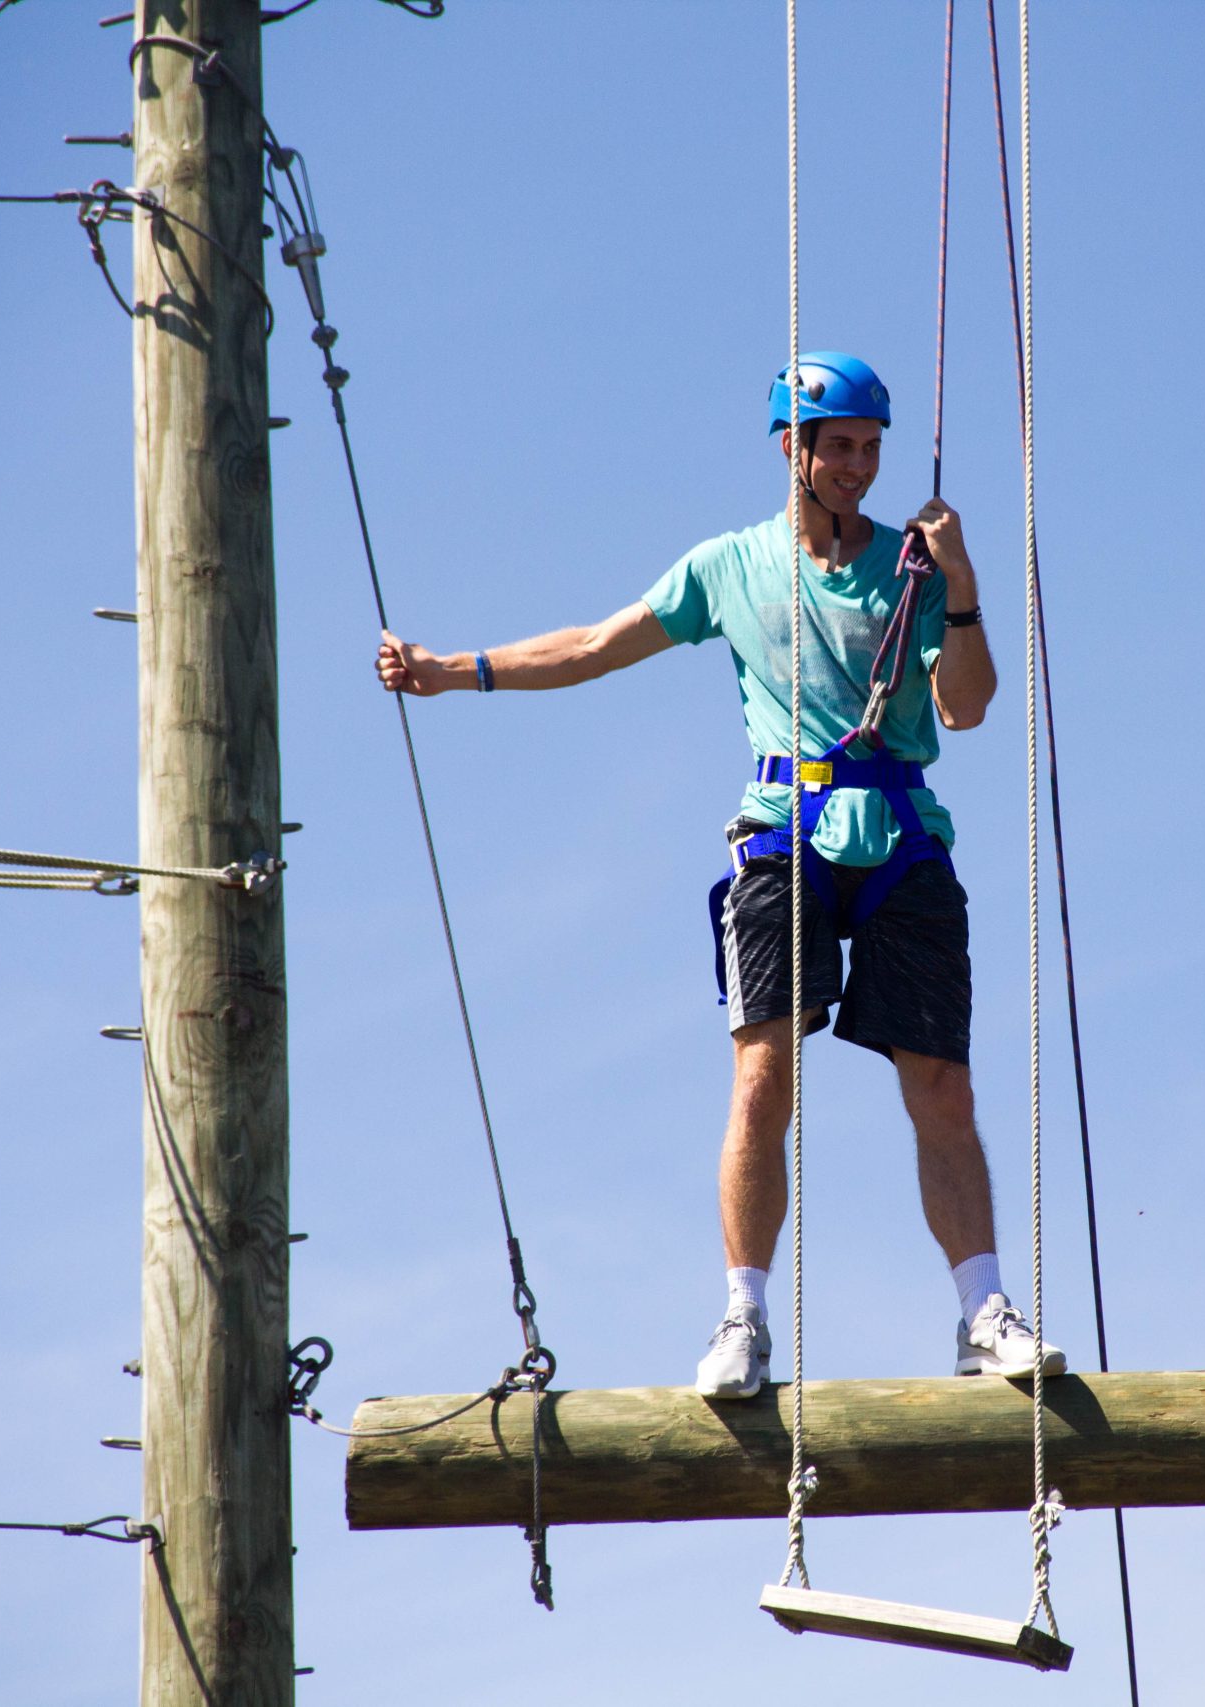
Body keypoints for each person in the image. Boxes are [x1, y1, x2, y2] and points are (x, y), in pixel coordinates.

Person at [375, 351, 1064, 1400]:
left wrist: (963, 591)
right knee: (762, 1076)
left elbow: (965, 708)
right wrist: (454, 671)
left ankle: (982, 1311)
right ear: (792, 448)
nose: (858, 467)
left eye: (871, 448)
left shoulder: (914, 569)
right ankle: (742, 1315)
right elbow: (593, 646)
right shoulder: (728, 566)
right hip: (782, 835)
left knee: (943, 1088)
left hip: (902, 838)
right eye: (839, 447)